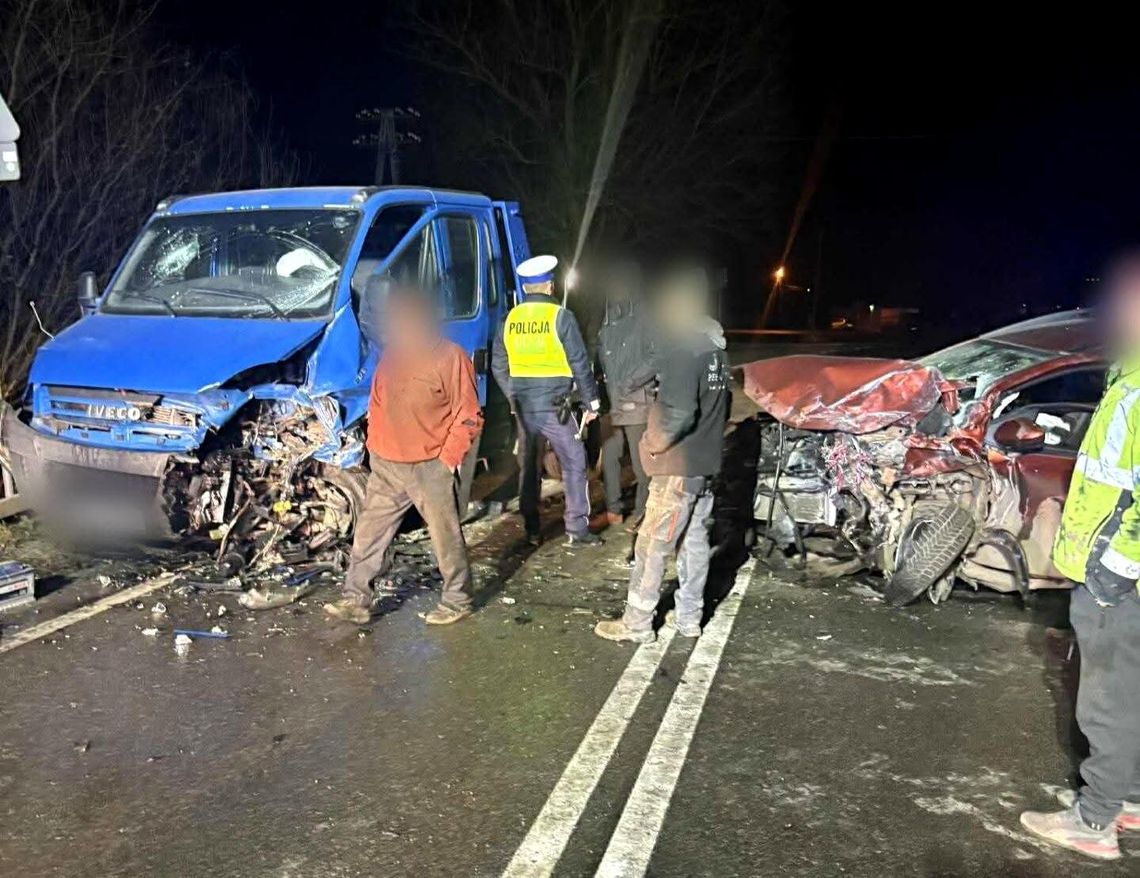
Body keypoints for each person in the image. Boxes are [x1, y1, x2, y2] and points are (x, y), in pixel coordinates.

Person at [1020, 256, 1140, 861]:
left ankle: (1094, 823)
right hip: (1120, 570)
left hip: (1118, 577)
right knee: (1131, 689)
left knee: (1107, 697)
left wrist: (1115, 566)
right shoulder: (1129, 375)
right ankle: (1131, 802)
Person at [325, 285, 483, 626]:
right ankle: (356, 598)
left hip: (429, 466)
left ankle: (458, 599)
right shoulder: (392, 355)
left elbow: (469, 415)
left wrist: (447, 459)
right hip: (388, 464)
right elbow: (378, 400)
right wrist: (375, 447)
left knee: (445, 535)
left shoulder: (451, 358)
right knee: (369, 532)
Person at [595, 266, 728, 643]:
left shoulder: (684, 352)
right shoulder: (715, 349)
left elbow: (679, 413)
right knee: (693, 546)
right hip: (703, 468)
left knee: (652, 545)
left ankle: (636, 624)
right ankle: (689, 618)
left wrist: (651, 444)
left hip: (677, 469)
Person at [492, 254, 602, 547]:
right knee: (574, 461)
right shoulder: (561, 317)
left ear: (526, 288)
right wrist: (592, 402)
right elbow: (579, 361)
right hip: (557, 408)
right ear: (550, 287)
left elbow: (498, 366)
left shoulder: (509, 319)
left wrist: (513, 397)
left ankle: (531, 528)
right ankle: (576, 529)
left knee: (529, 467)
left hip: (526, 410)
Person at [590, 260, 654, 531]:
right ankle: (614, 510)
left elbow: (656, 358)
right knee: (611, 461)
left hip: (637, 401)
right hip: (611, 403)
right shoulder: (608, 320)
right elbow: (599, 355)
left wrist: (631, 381)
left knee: (642, 466)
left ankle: (643, 511)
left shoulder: (646, 317)